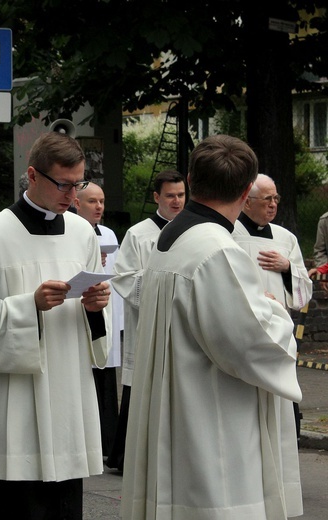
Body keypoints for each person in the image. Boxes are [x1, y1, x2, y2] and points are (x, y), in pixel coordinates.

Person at [121, 135, 303, 519]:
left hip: (175, 409)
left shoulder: (172, 237)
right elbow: (250, 344)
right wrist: (276, 315)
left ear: (190, 179)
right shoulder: (218, 250)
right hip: (211, 420)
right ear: (245, 190)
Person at [0, 132, 112, 519]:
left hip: (67, 392)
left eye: (78, 185)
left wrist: (94, 306)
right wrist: (30, 306)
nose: (71, 196)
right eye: (63, 184)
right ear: (33, 176)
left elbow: (93, 319)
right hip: (14, 401)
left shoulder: (81, 232)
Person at [107, 169, 186, 471]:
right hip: (149, 325)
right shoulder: (139, 234)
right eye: (170, 195)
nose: (177, 201)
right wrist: (165, 287)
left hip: (181, 327)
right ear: (157, 197)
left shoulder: (193, 230)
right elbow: (124, 278)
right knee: (144, 387)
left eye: (180, 195)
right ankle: (132, 457)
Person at [233, 172, 312, 442]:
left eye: (276, 198)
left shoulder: (285, 238)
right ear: (246, 201)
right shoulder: (229, 233)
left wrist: (288, 268)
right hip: (245, 330)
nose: (273, 204)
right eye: (267, 199)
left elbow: (304, 291)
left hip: (279, 331)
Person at [73, 181, 124, 457]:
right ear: (77, 203)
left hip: (106, 310)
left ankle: (107, 439)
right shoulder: (69, 230)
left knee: (105, 376)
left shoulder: (108, 233)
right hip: (82, 311)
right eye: (92, 201)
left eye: (102, 201)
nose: (99, 207)